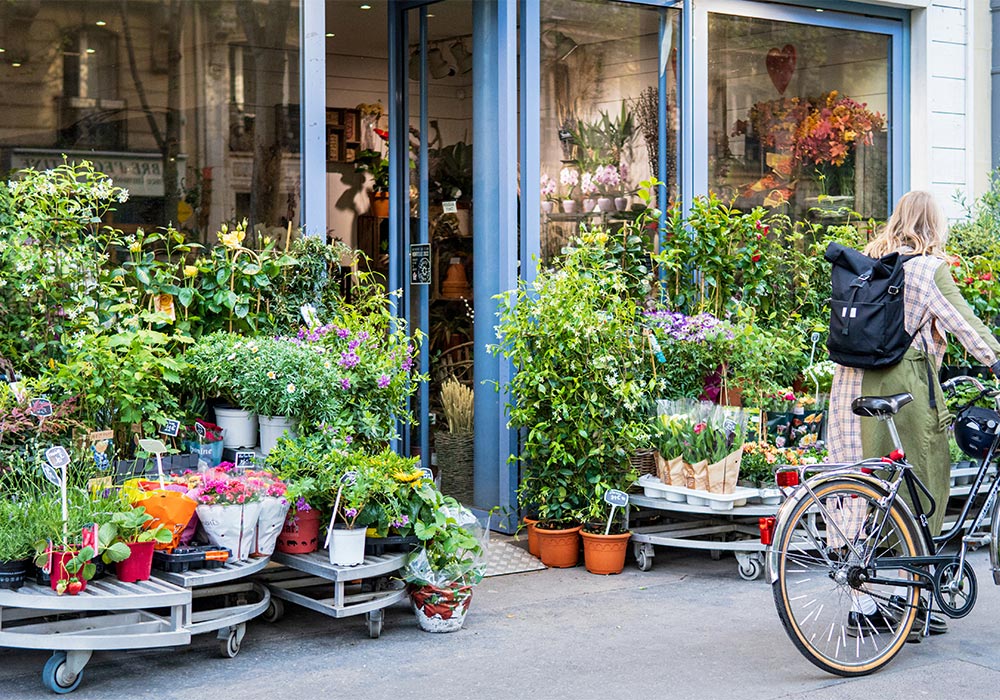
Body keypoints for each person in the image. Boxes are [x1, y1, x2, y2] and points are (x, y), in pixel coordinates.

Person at [828, 190, 1000, 637]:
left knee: (858, 490)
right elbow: (967, 327)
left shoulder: (865, 266)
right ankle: (915, 601)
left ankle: (862, 606)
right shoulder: (927, 270)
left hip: (849, 393)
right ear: (934, 225)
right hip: (904, 393)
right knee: (921, 489)